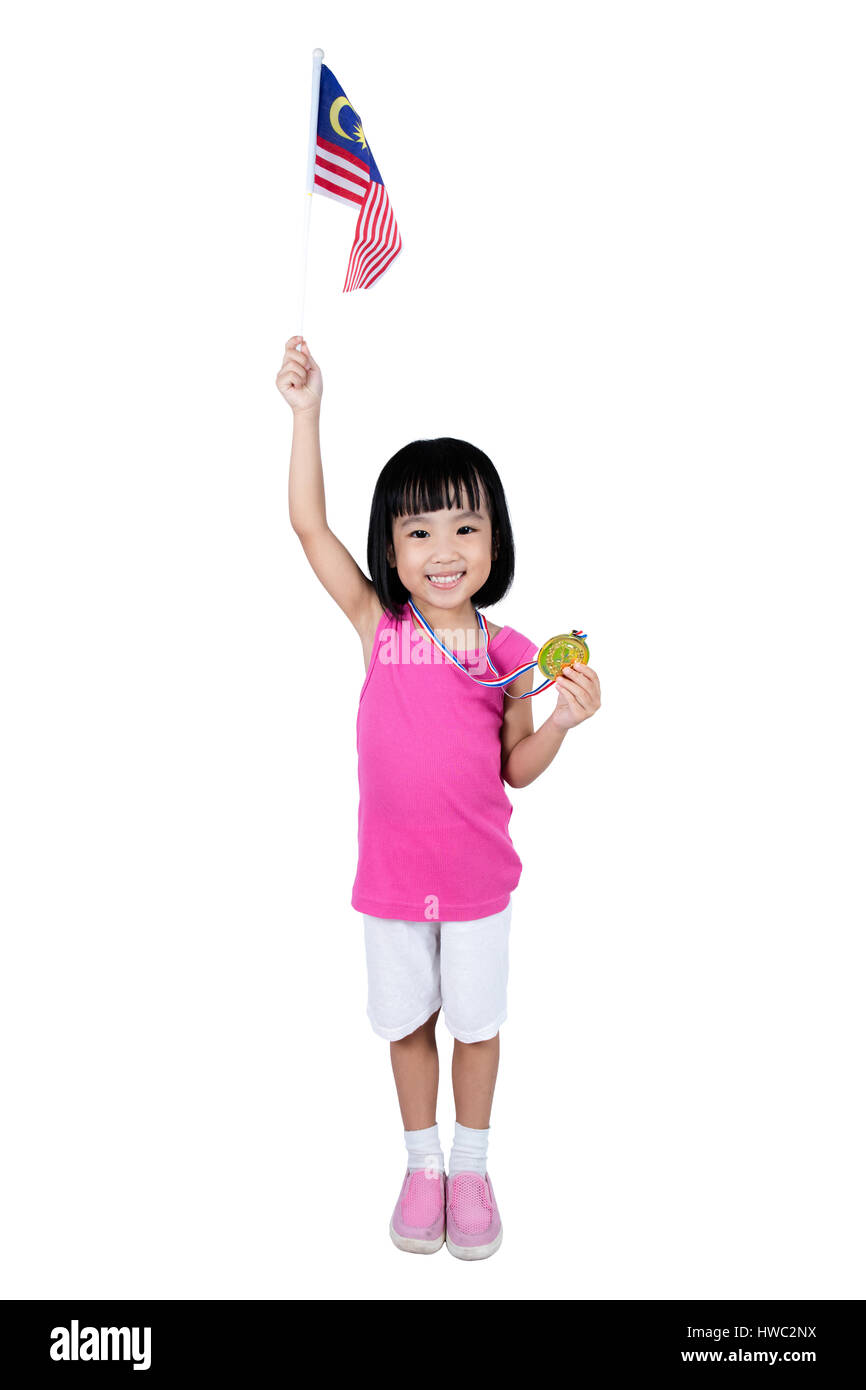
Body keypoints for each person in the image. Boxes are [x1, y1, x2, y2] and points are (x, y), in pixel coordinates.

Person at [276, 334, 601, 1259]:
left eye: (464, 527)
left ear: (494, 539)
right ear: (391, 548)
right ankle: (422, 1167)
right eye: (418, 532)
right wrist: (307, 415)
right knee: (406, 1022)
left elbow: (516, 769)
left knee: (477, 1025)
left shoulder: (509, 653)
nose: (443, 550)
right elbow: (308, 527)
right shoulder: (379, 625)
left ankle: (473, 1163)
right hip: (389, 881)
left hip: (477, 885)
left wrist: (563, 724)